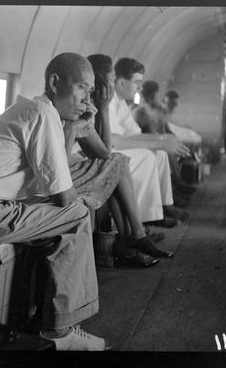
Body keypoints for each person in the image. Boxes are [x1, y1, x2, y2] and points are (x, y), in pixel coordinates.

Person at [0, 52, 110, 351]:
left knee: (62, 214)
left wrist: (73, 129)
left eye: (90, 91)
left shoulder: (37, 111)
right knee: (76, 214)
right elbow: (64, 197)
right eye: (80, 87)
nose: (86, 99)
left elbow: (54, 181)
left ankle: (35, 318)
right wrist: (83, 197)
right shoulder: (42, 113)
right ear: (54, 82)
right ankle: (60, 332)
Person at [64, 53, 173, 268]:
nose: (112, 87)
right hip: (66, 169)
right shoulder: (72, 107)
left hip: (77, 162)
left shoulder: (88, 108)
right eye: (111, 81)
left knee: (115, 165)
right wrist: (102, 109)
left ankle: (132, 239)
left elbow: (104, 151)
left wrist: (101, 109)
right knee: (117, 163)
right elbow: (104, 152)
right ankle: (134, 237)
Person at [109, 58, 191, 225]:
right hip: (108, 150)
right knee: (147, 156)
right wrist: (160, 142)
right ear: (122, 82)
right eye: (137, 82)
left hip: (117, 147)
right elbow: (115, 141)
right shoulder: (109, 102)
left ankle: (161, 207)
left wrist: (163, 139)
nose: (140, 87)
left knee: (159, 154)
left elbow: (134, 134)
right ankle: (143, 219)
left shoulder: (121, 103)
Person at [133, 82, 196, 206]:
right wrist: (165, 142)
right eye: (156, 96)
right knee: (165, 153)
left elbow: (165, 129)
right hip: (145, 146)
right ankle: (172, 190)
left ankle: (175, 186)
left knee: (171, 149)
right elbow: (149, 134)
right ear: (151, 97)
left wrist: (174, 139)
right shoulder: (140, 113)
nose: (158, 99)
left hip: (155, 143)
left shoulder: (157, 112)